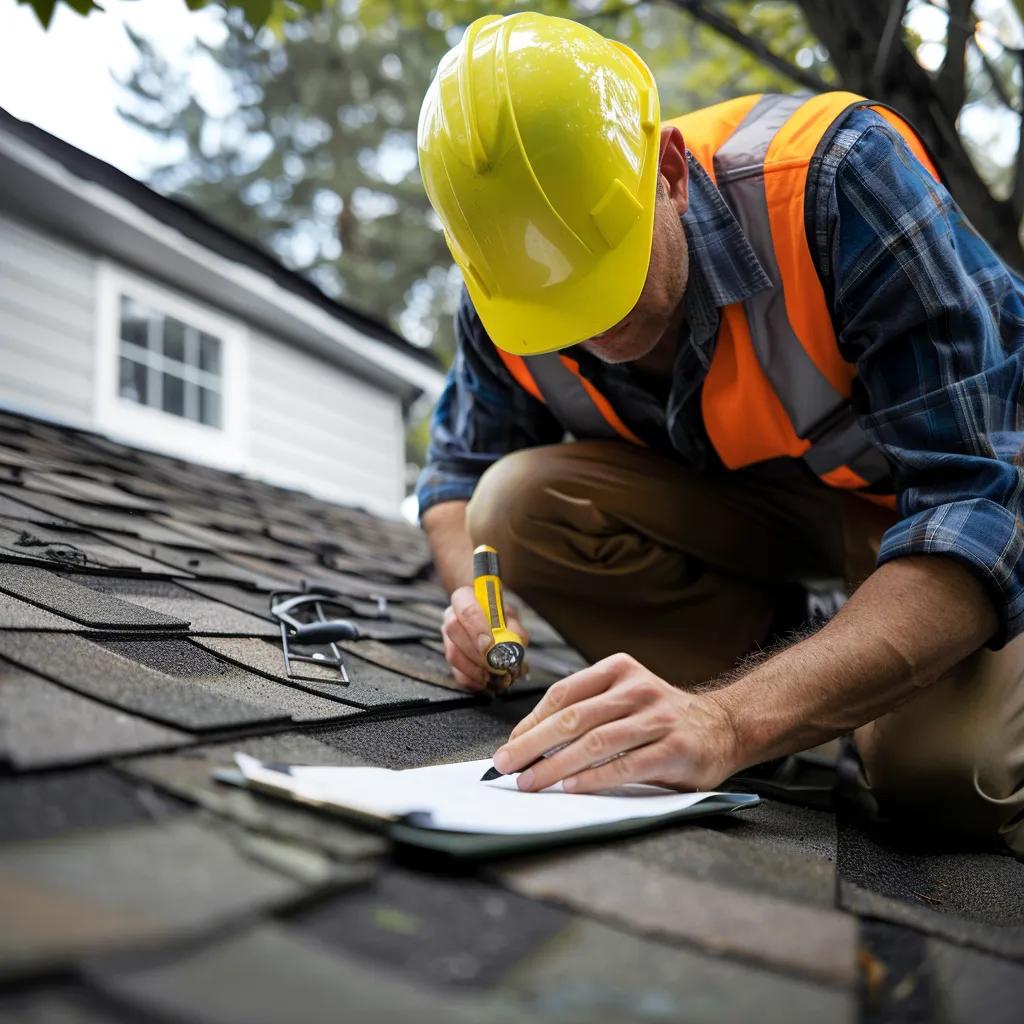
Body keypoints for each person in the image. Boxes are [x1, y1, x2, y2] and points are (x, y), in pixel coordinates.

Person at [414, 12, 1024, 855]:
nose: (591, 331)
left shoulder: (838, 180)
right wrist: (477, 612)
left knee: (947, 774)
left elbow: (975, 510)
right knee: (512, 504)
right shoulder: (505, 293)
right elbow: (453, 479)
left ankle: (805, 705)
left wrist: (728, 722)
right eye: (559, 308)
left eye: (610, 273)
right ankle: (806, 690)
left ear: (668, 171)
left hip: (953, 510)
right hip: (779, 501)